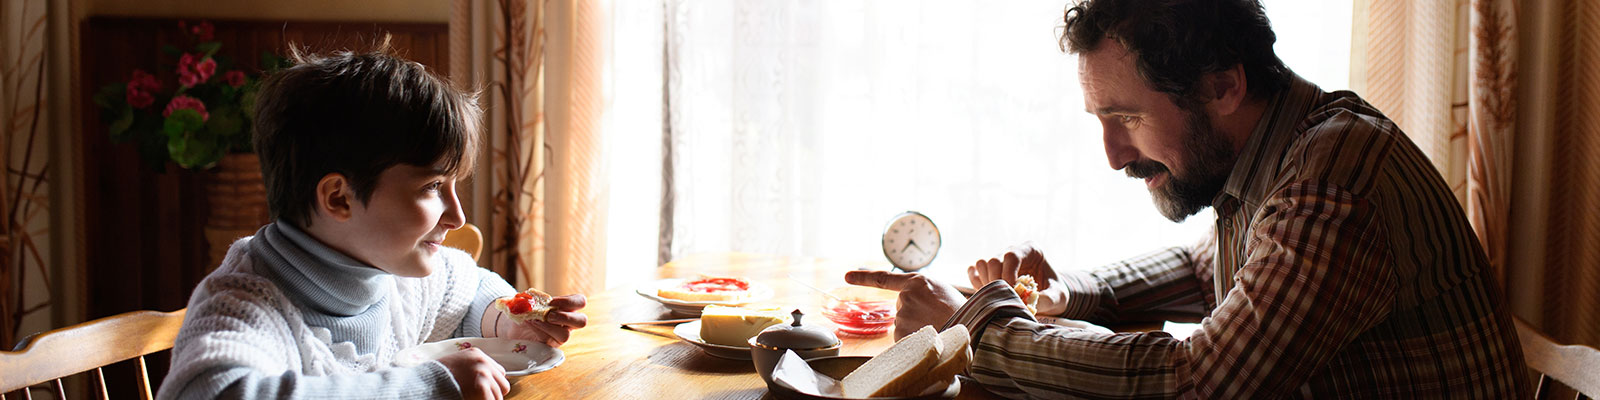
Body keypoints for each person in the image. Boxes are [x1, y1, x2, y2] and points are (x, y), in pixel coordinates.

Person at [846, 0, 1530, 397]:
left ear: (1223, 87)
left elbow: (1203, 385)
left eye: (1129, 118)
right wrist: (1064, 295)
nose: (1112, 156)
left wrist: (979, 331)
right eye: (1101, 122)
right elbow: (1207, 269)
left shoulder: (1335, 178)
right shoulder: (1278, 148)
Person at [159, 43, 587, 400]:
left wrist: (507, 323)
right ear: (339, 198)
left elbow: (473, 288)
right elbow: (209, 391)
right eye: (433, 187)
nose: (457, 216)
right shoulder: (243, 306)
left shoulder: (395, 272)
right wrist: (426, 387)